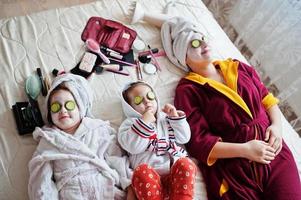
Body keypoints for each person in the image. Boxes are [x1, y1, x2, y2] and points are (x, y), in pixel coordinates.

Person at [159, 17, 301, 199]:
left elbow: (267, 98)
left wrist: (277, 127)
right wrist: (245, 149)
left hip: (275, 152)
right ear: (183, 57)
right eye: (194, 43)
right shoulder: (188, 90)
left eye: (202, 38)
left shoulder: (238, 67)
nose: (203, 43)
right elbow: (198, 142)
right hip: (236, 165)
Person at [28, 73, 132, 200]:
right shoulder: (49, 140)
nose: (63, 110)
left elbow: (116, 158)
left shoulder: (98, 130)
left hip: (105, 189)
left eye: (69, 105)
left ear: (80, 108)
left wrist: (128, 185)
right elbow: (41, 181)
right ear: (50, 114)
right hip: (72, 193)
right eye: (55, 107)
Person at [118, 81, 197, 200]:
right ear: (130, 108)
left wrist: (175, 117)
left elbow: (184, 138)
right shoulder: (129, 124)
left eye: (150, 96)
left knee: (186, 164)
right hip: (150, 179)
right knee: (140, 172)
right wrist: (143, 123)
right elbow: (133, 147)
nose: (146, 101)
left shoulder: (165, 118)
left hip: (174, 174)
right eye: (138, 100)